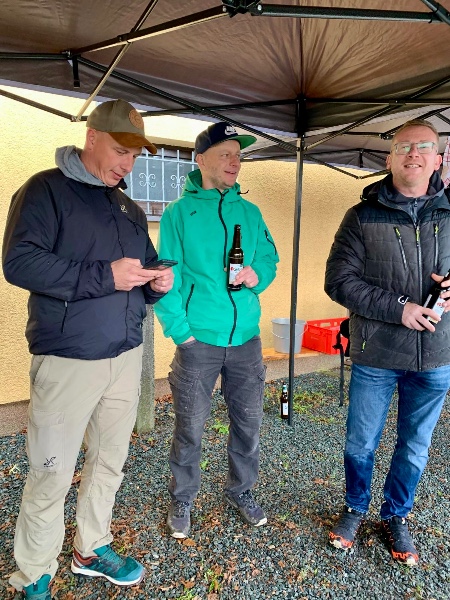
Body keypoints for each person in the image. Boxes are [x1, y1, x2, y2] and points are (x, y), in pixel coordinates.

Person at [2, 99, 174, 598]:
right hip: (68, 360)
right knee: (51, 470)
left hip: (125, 356)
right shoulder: (45, 190)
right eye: (121, 151)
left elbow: (137, 273)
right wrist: (106, 276)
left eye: (135, 156)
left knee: (109, 462)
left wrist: (154, 284)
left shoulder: (129, 209)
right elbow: (19, 262)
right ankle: (34, 571)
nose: (128, 164)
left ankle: (90, 548)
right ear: (92, 137)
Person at [325, 118, 450, 565]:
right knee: (360, 442)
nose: (413, 153)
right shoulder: (362, 215)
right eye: (404, 147)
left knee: (415, 446)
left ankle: (396, 514)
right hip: (376, 352)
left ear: (438, 159)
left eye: (424, 146)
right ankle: (355, 508)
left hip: (436, 356)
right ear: (389, 158)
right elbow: (339, 281)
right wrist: (400, 308)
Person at [154, 122, 279, 539]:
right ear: (201, 160)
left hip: (246, 339)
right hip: (199, 341)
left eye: (238, 155)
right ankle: (182, 496)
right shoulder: (178, 213)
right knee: (189, 426)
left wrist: (257, 275)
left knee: (248, 423)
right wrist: (181, 333)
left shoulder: (250, 212)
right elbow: (165, 277)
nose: (234, 162)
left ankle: (241, 491)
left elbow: (270, 259)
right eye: (225, 154)